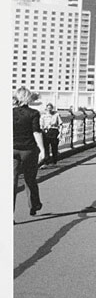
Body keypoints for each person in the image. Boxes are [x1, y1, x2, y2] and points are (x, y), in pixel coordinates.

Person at [13, 87, 45, 220]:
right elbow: (36, 132)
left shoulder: (10, 113)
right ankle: (33, 205)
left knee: (11, 182)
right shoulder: (34, 113)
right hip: (29, 150)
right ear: (29, 98)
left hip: (12, 149)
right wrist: (42, 149)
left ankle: (10, 215)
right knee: (30, 178)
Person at [40, 102, 62, 168]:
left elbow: (60, 124)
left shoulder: (56, 115)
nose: (49, 110)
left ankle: (54, 161)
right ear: (46, 109)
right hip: (46, 131)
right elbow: (41, 125)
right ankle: (46, 162)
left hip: (54, 131)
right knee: (46, 147)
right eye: (48, 108)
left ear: (52, 108)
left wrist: (60, 134)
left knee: (54, 147)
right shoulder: (43, 116)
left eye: (50, 108)